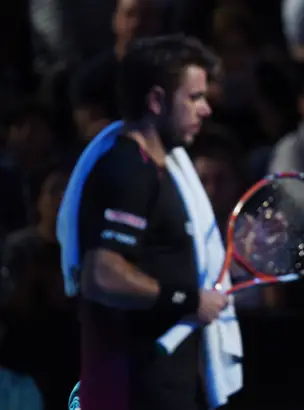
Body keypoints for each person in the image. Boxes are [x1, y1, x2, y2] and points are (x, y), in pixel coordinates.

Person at [61, 35, 230, 410]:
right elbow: (102, 274)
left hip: (163, 385)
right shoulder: (130, 170)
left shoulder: (155, 171)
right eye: (194, 97)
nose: (206, 110)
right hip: (135, 391)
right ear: (156, 100)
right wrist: (188, 299)